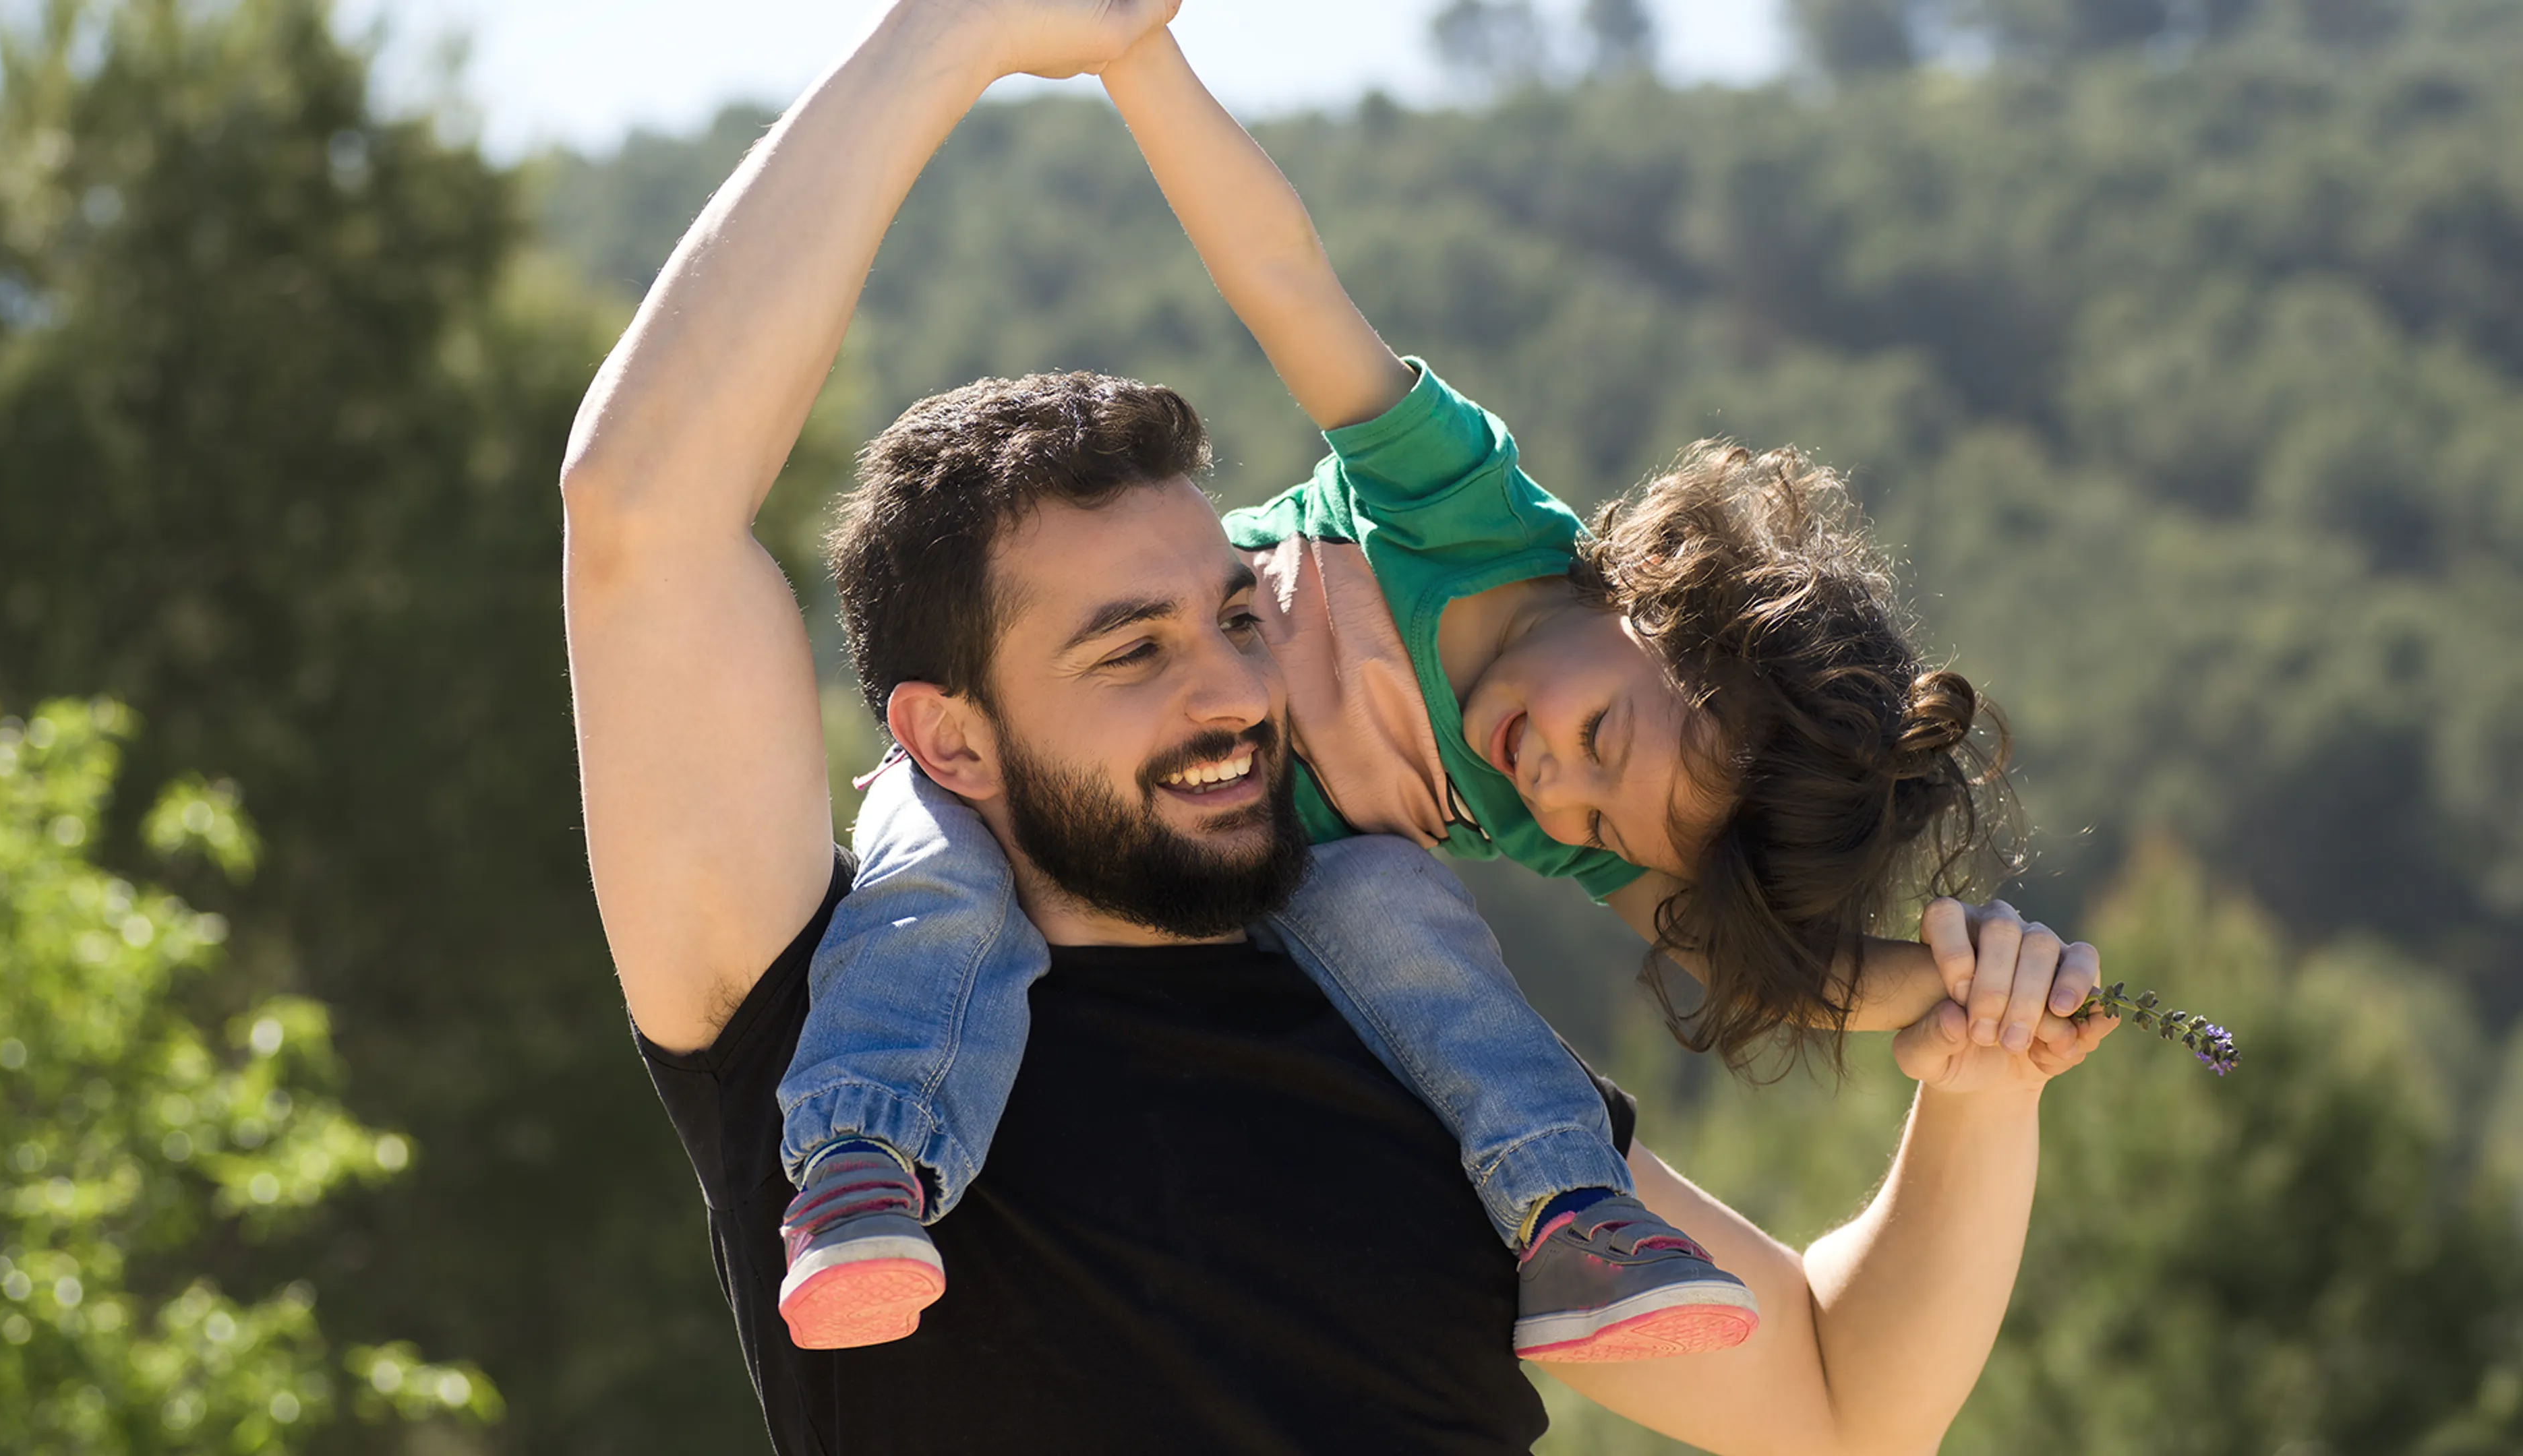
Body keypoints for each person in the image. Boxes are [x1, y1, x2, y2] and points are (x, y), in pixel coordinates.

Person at [561, 2, 2114, 1451]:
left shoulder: (1439, 1065)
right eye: (1131, 651)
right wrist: (958, 30)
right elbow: (642, 519)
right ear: (947, 741)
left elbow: (1846, 1409)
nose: (1235, 687)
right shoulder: (822, 1015)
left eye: (1240, 613)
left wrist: (1979, 1082)